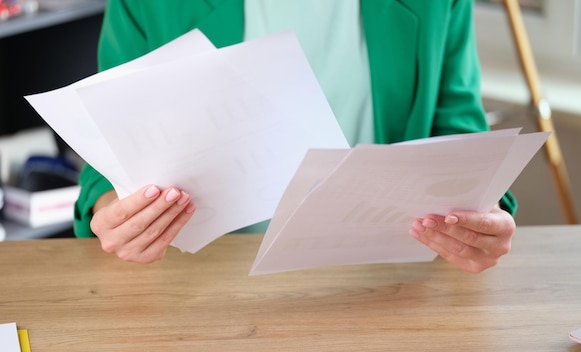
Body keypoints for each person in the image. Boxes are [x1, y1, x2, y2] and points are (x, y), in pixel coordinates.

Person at [75, 0, 517, 272]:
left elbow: (459, 132)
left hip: (385, 277)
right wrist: (116, 211)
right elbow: (109, 147)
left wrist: (480, 217)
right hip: (204, 277)